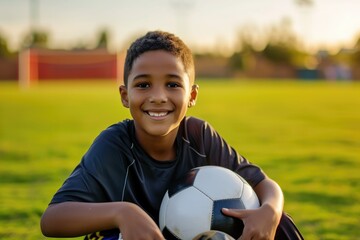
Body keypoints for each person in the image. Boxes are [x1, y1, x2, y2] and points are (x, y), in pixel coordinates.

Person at [40, 30, 303, 240]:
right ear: (124, 95)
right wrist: (123, 212)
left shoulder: (199, 136)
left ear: (192, 96)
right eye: (143, 85)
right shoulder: (114, 146)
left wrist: (270, 211)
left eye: (172, 84)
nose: (157, 97)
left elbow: (264, 185)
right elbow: (52, 220)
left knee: (278, 223)